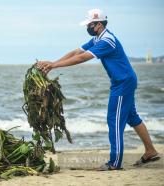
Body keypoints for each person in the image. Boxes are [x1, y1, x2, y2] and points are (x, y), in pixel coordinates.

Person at [37, 9, 160, 170]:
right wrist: (53, 63)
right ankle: (150, 151)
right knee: (132, 117)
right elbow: (76, 52)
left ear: (99, 24)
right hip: (123, 81)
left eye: (90, 24)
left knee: (114, 120)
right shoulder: (97, 38)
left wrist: (54, 65)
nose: (87, 27)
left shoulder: (107, 40)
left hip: (123, 83)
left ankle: (114, 163)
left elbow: (82, 58)